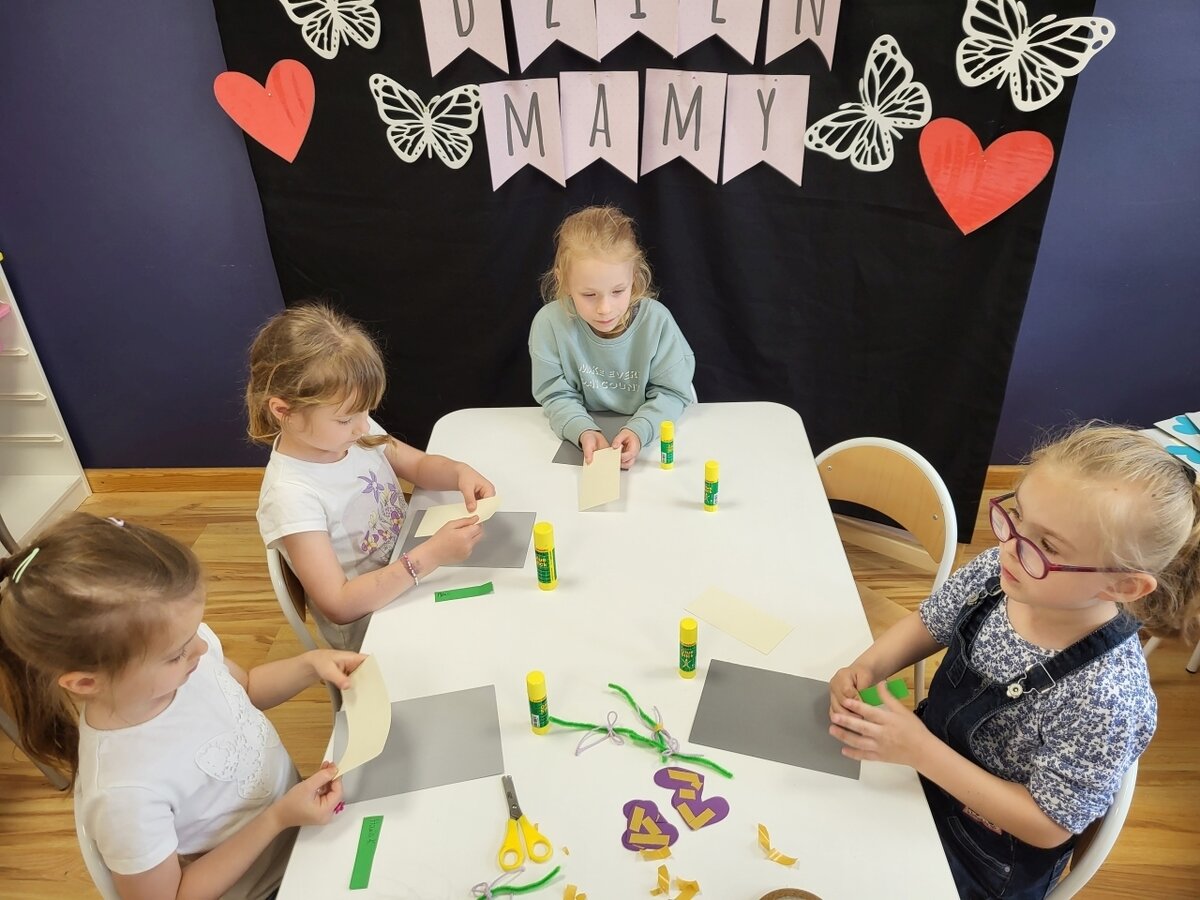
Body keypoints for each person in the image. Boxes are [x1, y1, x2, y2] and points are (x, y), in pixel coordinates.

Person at [828, 424, 1200, 899]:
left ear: (1122, 586)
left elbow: (1047, 826)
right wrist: (869, 667)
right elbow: (931, 622)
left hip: (984, 854)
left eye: (1048, 546)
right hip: (916, 775)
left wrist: (919, 750)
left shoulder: (1108, 699)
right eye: (1017, 516)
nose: (1010, 545)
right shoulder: (1001, 571)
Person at [0, 513, 363, 900]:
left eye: (196, 631)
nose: (202, 648)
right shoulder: (124, 794)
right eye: (176, 653)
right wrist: (277, 819)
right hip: (271, 885)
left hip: (307, 829)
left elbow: (246, 688)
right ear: (87, 682)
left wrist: (310, 665)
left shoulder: (184, 655)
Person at [246, 303, 494, 650]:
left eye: (366, 412)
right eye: (346, 419)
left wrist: (458, 473)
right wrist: (432, 555)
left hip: (412, 569)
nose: (363, 426)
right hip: (375, 625)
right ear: (284, 411)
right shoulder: (291, 496)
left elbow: (418, 466)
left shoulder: (350, 432)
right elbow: (339, 603)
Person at [529, 205, 695, 469]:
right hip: (589, 432)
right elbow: (554, 394)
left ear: (634, 276)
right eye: (589, 294)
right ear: (563, 280)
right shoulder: (548, 324)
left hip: (654, 439)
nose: (605, 309)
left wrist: (641, 430)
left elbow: (672, 392)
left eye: (618, 291)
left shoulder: (657, 322)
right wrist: (582, 430)